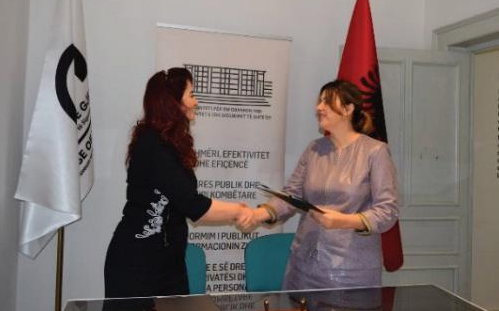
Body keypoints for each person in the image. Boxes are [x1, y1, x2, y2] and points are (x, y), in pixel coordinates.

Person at [104, 67, 254, 298]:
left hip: (169, 262)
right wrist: (239, 211)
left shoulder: (169, 144)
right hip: (137, 264)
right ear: (173, 103)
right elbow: (193, 205)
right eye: (191, 95)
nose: (196, 102)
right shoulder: (153, 146)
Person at [251, 79, 399, 289]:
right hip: (302, 267)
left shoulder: (375, 151)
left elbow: (387, 211)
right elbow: (292, 195)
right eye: (319, 101)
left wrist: (344, 221)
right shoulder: (314, 149)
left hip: (350, 272)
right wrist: (260, 214)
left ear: (348, 109)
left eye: (327, 102)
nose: (319, 108)